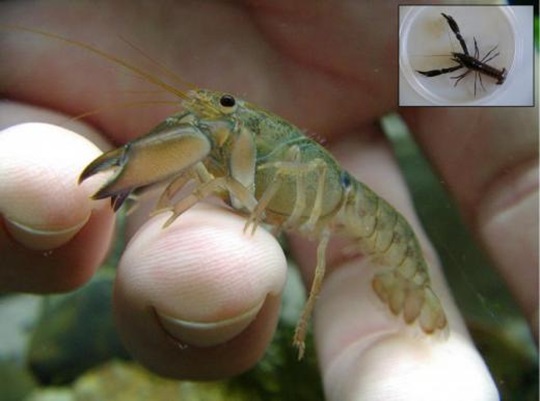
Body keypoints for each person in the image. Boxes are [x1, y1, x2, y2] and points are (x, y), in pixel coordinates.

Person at [0, 1, 537, 399]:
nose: (219, 119)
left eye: (228, 107)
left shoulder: (291, 159)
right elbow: (202, 161)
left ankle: (408, 299)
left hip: (368, 223)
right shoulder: (228, 140)